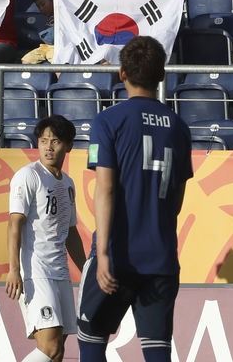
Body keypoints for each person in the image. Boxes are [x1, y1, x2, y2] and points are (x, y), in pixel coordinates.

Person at [77, 34, 191, 362]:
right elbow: (177, 200)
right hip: (161, 257)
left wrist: (102, 254)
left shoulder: (107, 121)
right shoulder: (179, 127)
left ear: (121, 73)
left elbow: (107, 188)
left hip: (116, 254)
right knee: (157, 353)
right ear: (161, 75)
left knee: (91, 340)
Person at [7, 114, 85, 362]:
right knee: (49, 347)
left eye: (56, 141)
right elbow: (14, 223)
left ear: (69, 146)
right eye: (43, 141)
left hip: (60, 272)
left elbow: (70, 232)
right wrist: (13, 269)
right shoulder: (28, 176)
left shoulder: (68, 184)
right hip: (35, 271)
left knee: (58, 351)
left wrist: (86, 271)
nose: (49, 147)